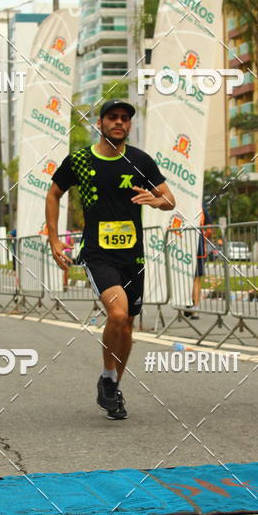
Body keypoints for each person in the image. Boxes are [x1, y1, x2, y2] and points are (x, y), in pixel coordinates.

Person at [45, 99, 176, 420]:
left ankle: (114, 385)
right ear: (100, 123)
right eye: (112, 118)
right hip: (98, 253)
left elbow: (170, 200)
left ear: (129, 126)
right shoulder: (78, 160)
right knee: (117, 314)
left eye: (124, 119)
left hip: (133, 255)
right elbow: (53, 193)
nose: (119, 123)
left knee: (128, 326)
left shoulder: (140, 161)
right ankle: (107, 376)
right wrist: (53, 238)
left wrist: (156, 201)